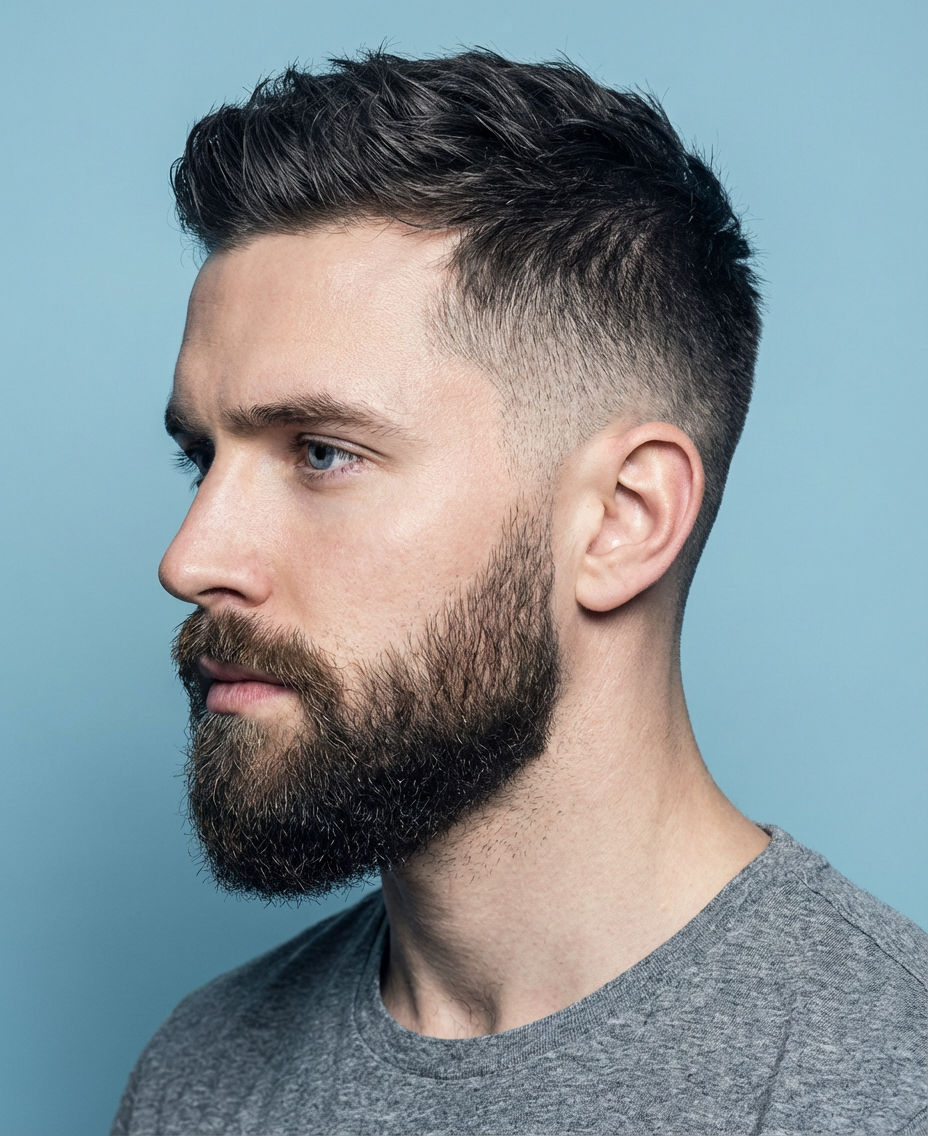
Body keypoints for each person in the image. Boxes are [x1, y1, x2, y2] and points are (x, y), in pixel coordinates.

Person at [112, 50, 927, 1136]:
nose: (190, 556)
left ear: (622, 520)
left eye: (319, 452)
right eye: (201, 457)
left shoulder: (885, 1076)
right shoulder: (200, 1075)